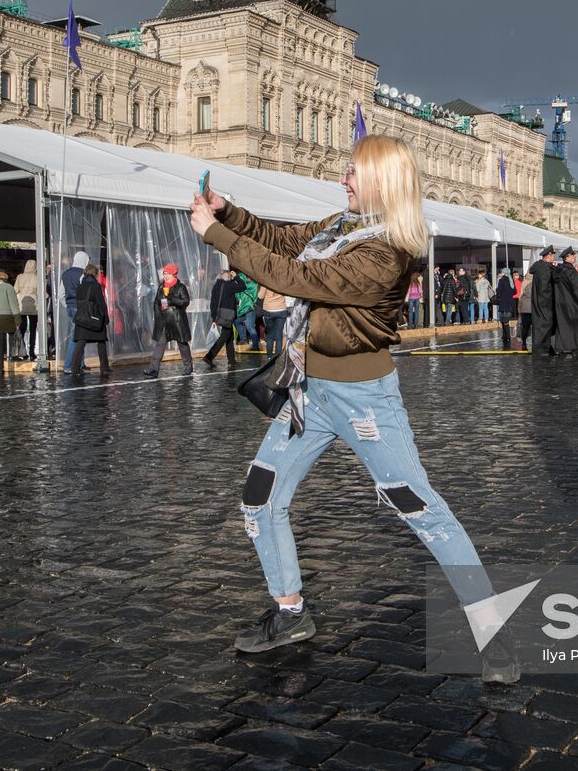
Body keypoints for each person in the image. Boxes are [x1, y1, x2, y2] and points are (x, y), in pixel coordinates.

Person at [189, 134, 518, 683]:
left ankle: (492, 629)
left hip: (364, 396)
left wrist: (217, 235)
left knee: (416, 505)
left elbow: (298, 278)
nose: (342, 179)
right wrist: (232, 215)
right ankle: (290, 613)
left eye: (353, 172)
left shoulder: (387, 250)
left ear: (383, 182)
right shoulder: (341, 228)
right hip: (305, 390)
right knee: (259, 499)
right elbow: (284, 241)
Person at [144, 263, 193, 376]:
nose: (165, 276)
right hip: (164, 321)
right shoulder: (162, 286)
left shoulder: (180, 287)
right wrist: (158, 315)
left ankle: (188, 367)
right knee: (160, 344)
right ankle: (153, 369)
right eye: (164, 274)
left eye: (168, 274)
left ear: (173, 274)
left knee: (182, 344)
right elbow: (157, 302)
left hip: (177, 320)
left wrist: (171, 300)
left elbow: (185, 301)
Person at [70, 263, 111, 377]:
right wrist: (105, 318)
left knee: (80, 343)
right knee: (101, 342)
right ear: (95, 273)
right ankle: (104, 367)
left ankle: (74, 368)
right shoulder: (96, 286)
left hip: (83, 318)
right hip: (94, 318)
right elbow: (101, 303)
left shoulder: (80, 286)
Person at [203, 269, 245, 368]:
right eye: (230, 277)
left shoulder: (216, 286)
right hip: (228, 315)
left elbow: (213, 302)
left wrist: (214, 317)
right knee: (224, 337)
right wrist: (236, 277)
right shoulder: (229, 285)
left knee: (229, 338)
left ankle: (232, 361)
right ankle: (209, 357)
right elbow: (243, 286)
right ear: (228, 278)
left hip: (220, 315)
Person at [61, 251, 88, 371]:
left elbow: (61, 294)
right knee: (76, 337)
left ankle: (79, 364)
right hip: (80, 308)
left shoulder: (65, 274)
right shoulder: (83, 274)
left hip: (70, 307)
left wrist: (67, 305)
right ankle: (69, 365)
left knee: (79, 336)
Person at [528, 246, 558, 354]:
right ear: (548, 256)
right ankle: (544, 349)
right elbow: (544, 288)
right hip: (545, 303)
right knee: (546, 325)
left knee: (540, 325)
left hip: (538, 302)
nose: (554, 257)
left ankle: (545, 348)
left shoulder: (538, 266)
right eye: (553, 255)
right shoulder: (545, 269)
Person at [14, 260, 39, 361]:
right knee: (33, 329)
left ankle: (22, 351)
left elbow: (15, 290)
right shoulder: (37, 277)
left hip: (22, 304)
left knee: (22, 329)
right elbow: (41, 291)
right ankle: (32, 352)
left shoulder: (20, 277)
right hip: (34, 304)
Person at [259, 284, 289, 357]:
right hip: (281, 309)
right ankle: (278, 357)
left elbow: (260, 296)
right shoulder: (281, 281)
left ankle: (269, 357)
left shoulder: (266, 282)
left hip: (269, 310)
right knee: (279, 335)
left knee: (270, 335)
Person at [236, 272, 261, 351]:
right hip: (245, 308)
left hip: (249, 308)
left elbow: (237, 297)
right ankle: (244, 339)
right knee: (237, 321)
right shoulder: (252, 285)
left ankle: (255, 346)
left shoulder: (247, 285)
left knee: (249, 326)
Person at [495, 267, 516, 349]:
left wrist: (497, 289)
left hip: (503, 302)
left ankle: (506, 336)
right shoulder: (511, 280)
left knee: (503, 320)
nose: (501, 273)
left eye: (502, 272)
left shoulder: (501, 280)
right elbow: (515, 291)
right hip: (510, 302)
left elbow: (498, 290)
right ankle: (506, 336)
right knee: (506, 320)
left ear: (504, 273)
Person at [516, 269, 534, 350]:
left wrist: (519, 308)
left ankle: (524, 343)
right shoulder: (535, 281)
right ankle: (535, 343)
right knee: (535, 327)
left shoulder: (524, 281)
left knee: (525, 327)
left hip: (524, 308)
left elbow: (520, 295)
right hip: (534, 308)